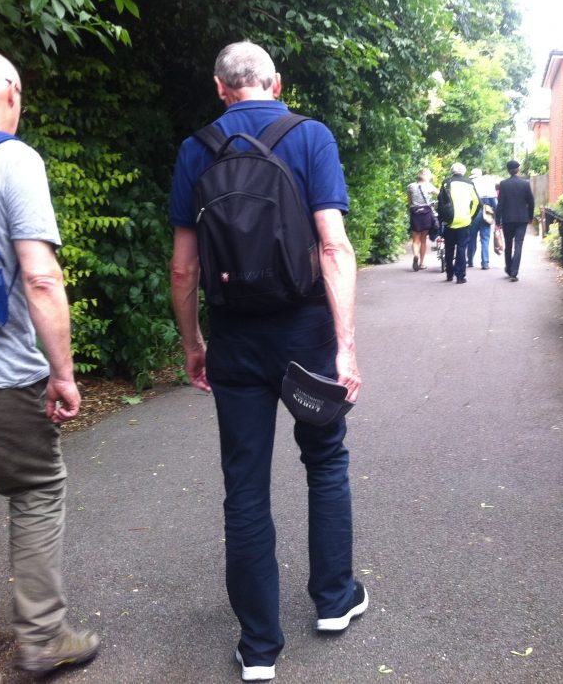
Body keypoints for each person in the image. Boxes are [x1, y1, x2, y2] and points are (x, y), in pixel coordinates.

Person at [169, 41, 365, 683]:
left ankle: (258, 647)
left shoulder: (196, 149)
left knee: (244, 485)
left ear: (221, 89)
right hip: (305, 333)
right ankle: (334, 602)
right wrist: (344, 343)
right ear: (274, 83)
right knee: (326, 459)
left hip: (236, 339)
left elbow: (183, 267)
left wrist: (194, 343)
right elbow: (333, 246)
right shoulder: (310, 138)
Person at [0, 50, 98, 684]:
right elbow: (39, 277)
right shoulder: (11, 157)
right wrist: (61, 372)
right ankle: (42, 639)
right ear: (11, 92)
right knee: (37, 488)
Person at [436, 162, 479, 284]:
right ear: (464, 172)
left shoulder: (446, 182)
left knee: (449, 248)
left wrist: (441, 219)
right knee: (461, 248)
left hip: (449, 220)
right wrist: (470, 216)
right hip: (464, 220)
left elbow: (441, 201)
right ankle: (460, 276)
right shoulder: (470, 183)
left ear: (452, 171)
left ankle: (449, 274)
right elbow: (477, 202)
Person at [496, 160, 535, 282]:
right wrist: (530, 216)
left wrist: (497, 221)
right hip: (522, 219)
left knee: (508, 245)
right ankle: (514, 272)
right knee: (519, 244)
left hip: (508, 219)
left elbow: (500, 204)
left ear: (508, 170)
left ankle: (508, 267)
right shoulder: (525, 184)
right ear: (518, 169)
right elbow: (531, 202)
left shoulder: (503, 184)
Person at [406, 167, 438, 271]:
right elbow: (440, 194)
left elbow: (409, 202)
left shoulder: (410, 186)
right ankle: (422, 263)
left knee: (415, 239)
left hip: (415, 213)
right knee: (423, 239)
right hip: (426, 212)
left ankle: (415, 255)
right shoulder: (429, 186)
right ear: (428, 176)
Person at [467, 167, 498, 270]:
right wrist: (497, 218)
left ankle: (470, 260)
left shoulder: (469, 184)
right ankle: (485, 263)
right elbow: (495, 203)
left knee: (471, 238)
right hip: (486, 214)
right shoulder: (488, 184)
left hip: (473, 214)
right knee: (485, 239)